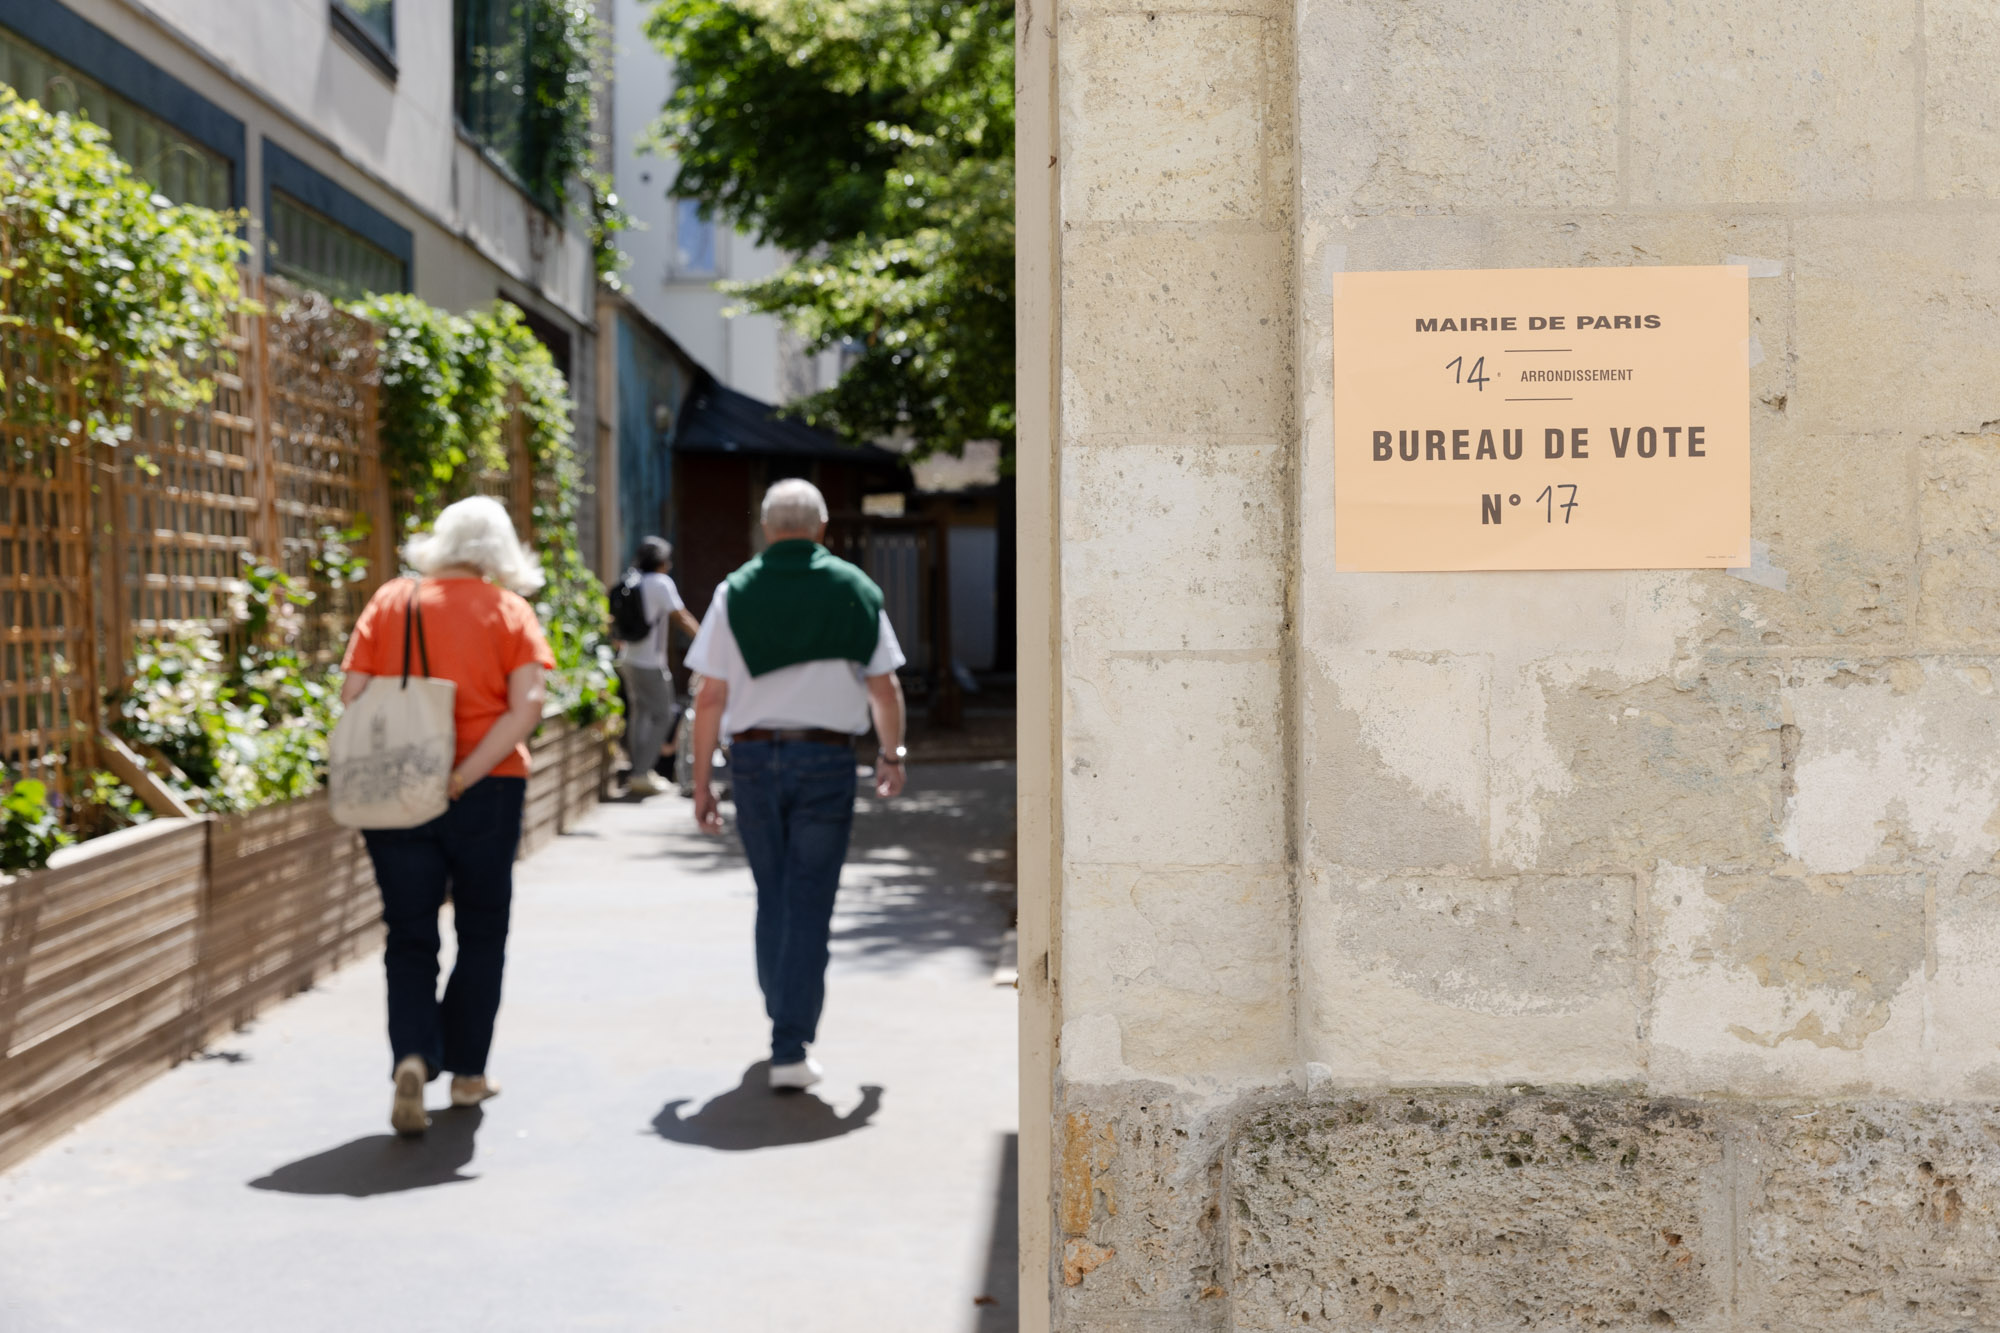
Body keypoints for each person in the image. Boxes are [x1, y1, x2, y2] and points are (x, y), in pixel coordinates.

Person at [339, 496, 555, 1135]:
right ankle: (466, 1073)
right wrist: (463, 773)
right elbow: (528, 705)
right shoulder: (509, 612)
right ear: (499, 551)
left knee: (409, 934)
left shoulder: (392, 602)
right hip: (486, 790)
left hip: (397, 790)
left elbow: (354, 694)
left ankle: (412, 1054)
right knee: (482, 931)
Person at [685, 479, 908, 1091]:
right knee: (809, 898)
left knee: (773, 892)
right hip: (826, 761)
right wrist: (891, 754)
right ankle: (790, 1041)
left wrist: (702, 783)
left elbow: (710, 697)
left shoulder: (736, 592)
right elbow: (883, 688)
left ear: (766, 527)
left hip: (753, 762)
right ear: (821, 528)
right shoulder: (855, 589)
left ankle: (782, 1014)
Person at [613, 536, 701, 796]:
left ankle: (639, 771)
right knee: (663, 714)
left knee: (640, 713)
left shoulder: (632, 580)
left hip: (628, 659)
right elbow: (681, 617)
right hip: (650, 663)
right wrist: (705, 642)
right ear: (661, 561)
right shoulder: (661, 583)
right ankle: (641, 772)